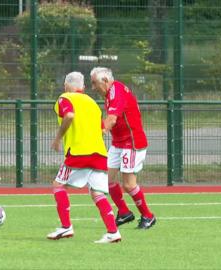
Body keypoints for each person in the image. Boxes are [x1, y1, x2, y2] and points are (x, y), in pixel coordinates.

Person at [47, 71, 121, 244]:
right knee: (97, 193)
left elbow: (70, 115)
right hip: (99, 154)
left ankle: (66, 227)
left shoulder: (64, 98)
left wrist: (58, 138)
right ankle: (112, 232)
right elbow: (102, 128)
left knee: (58, 185)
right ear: (83, 87)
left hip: (78, 153)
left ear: (66, 86)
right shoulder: (93, 103)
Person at [90, 67, 156, 229]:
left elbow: (111, 119)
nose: (93, 88)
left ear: (105, 81)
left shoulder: (116, 91)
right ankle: (124, 213)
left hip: (131, 143)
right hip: (118, 143)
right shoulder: (109, 93)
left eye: (94, 83)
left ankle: (148, 216)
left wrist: (96, 135)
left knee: (128, 185)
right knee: (105, 180)